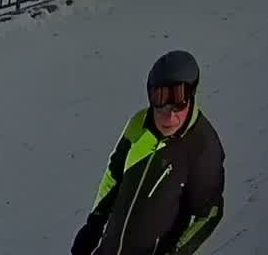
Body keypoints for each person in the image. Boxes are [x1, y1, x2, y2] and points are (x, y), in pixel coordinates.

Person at [71, 50, 225, 255]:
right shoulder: (138, 124)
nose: (169, 117)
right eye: (161, 105)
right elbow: (114, 175)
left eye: (178, 105)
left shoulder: (203, 146)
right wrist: (95, 223)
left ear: (191, 96)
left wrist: (176, 252)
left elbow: (210, 214)